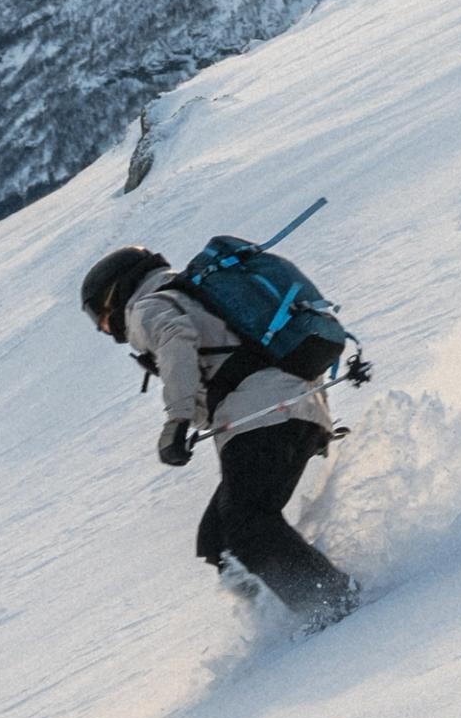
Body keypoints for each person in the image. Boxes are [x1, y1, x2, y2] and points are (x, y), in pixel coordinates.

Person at [78, 246, 358, 626]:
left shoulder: (146, 306)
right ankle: (285, 621)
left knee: (247, 525)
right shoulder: (187, 293)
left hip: (265, 414)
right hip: (295, 408)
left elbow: (176, 339)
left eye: (103, 321)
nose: (108, 330)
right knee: (220, 542)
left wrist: (176, 422)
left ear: (115, 296)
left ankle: (336, 607)